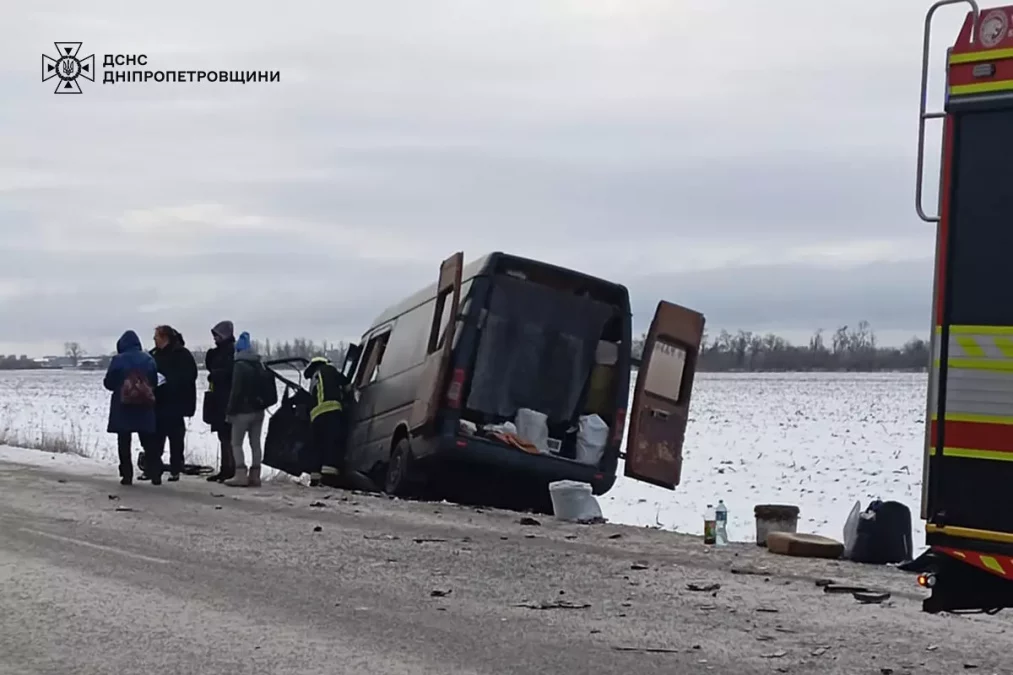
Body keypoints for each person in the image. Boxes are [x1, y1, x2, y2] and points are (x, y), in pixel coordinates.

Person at [103, 330, 159, 486]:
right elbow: (154, 380)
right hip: (144, 404)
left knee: (124, 441)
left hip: (123, 406)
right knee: (148, 441)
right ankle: (155, 472)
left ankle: (126, 475)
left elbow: (109, 383)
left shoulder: (118, 360)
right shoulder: (148, 358)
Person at [147, 325, 198, 482]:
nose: (154, 339)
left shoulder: (182, 354)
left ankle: (176, 467)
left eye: (156, 336)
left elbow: (190, 376)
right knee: (155, 439)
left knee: (176, 438)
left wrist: (168, 380)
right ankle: (154, 469)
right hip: (157, 402)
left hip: (176, 403)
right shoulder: (153, 354)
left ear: (165, 338)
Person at [224, 331, 268, 487]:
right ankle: (255, 476)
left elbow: (236, 391)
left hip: (242, 411)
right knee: (255, 443)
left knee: (236, 443)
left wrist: (229, 412)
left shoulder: (240, 366)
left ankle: (240, 475)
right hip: (259, 410)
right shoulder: (259, 364)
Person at [303, 356, 348, 488]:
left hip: (316, 417)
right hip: (331, 412)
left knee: (317, 447)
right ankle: (329, 478)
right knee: (331, 445)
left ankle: (315, 479)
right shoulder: (329, 370)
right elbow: (346, 382)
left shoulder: (314, 378)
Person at [204, 320, 236, 482]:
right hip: (219, 398)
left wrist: (216, 374)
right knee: (223, 436)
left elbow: (230, 373)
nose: (215, 338)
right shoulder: (219, 352)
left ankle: (230, 468)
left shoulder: (231, 352)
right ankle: (226, 468)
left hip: (226, 398)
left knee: (228, 436)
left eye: (217, 335)